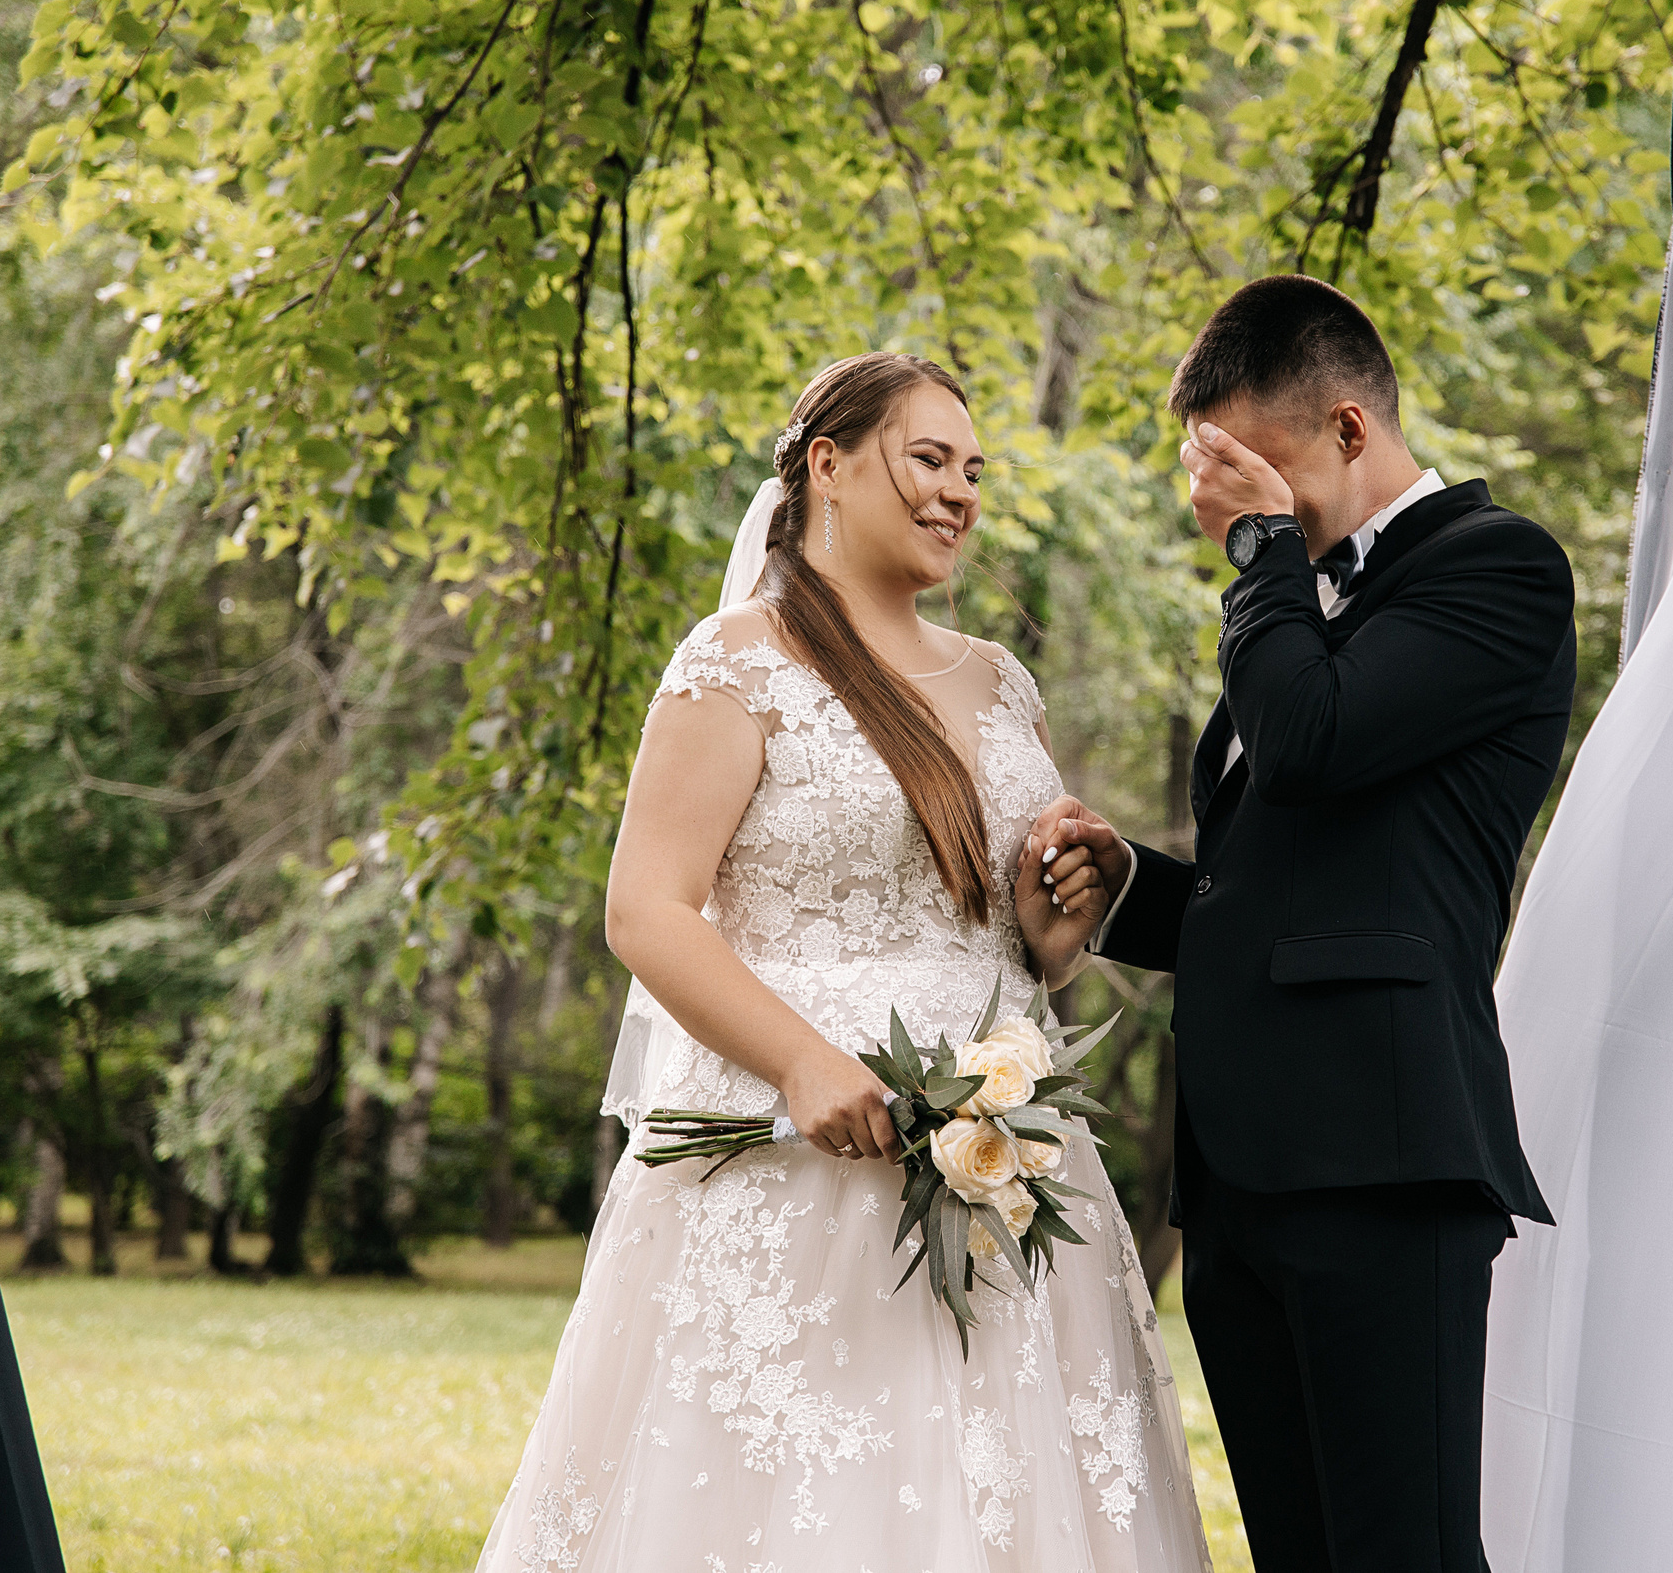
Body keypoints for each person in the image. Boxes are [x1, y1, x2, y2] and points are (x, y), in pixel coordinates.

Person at [476, 353, 1210, 1573]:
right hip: (794, 1156)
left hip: (1006, 1158)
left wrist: (1057, 928)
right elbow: (647, 911)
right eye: (928, 460)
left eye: (975, 472)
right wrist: (805, 1065)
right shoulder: (740, 661)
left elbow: (1008, 944)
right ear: (828, 463)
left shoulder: (998, 680)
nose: (959, 494)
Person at [1015, 276, 1576, 1573]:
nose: (1235, 509)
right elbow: (1287, 874)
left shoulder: (1497, 567)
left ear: (1347, 427)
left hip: (1381, 1160)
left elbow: (1313, 743)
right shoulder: (1305, 607)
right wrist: (1137, 887)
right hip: (1242, 1182)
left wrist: (1258, 558)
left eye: (1258, 473)